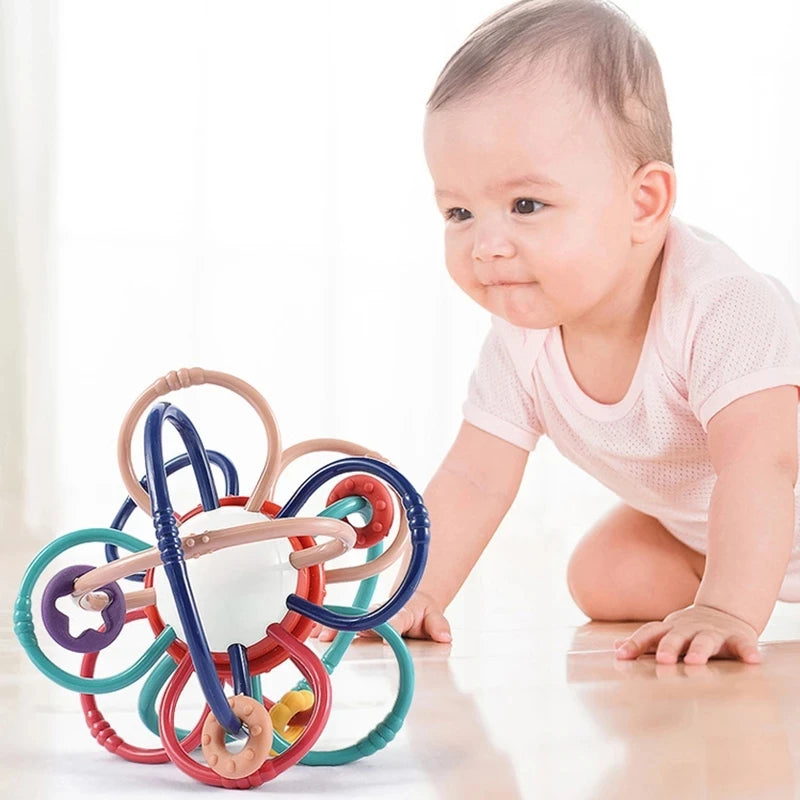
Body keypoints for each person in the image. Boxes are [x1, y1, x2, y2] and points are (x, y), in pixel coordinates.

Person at [316, 0, 800, 665]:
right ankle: (730, 585)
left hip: (770, 502)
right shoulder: (523, 338)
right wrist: (414, 590)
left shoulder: (723, 306)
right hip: (707, 531)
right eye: (459, 211)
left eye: (526, 205)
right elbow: (476, 478)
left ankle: (737, 591)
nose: (485, 245)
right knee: (604, 574)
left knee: (730, 547)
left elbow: (762, 464)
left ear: (643, 204)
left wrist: (727, 606)